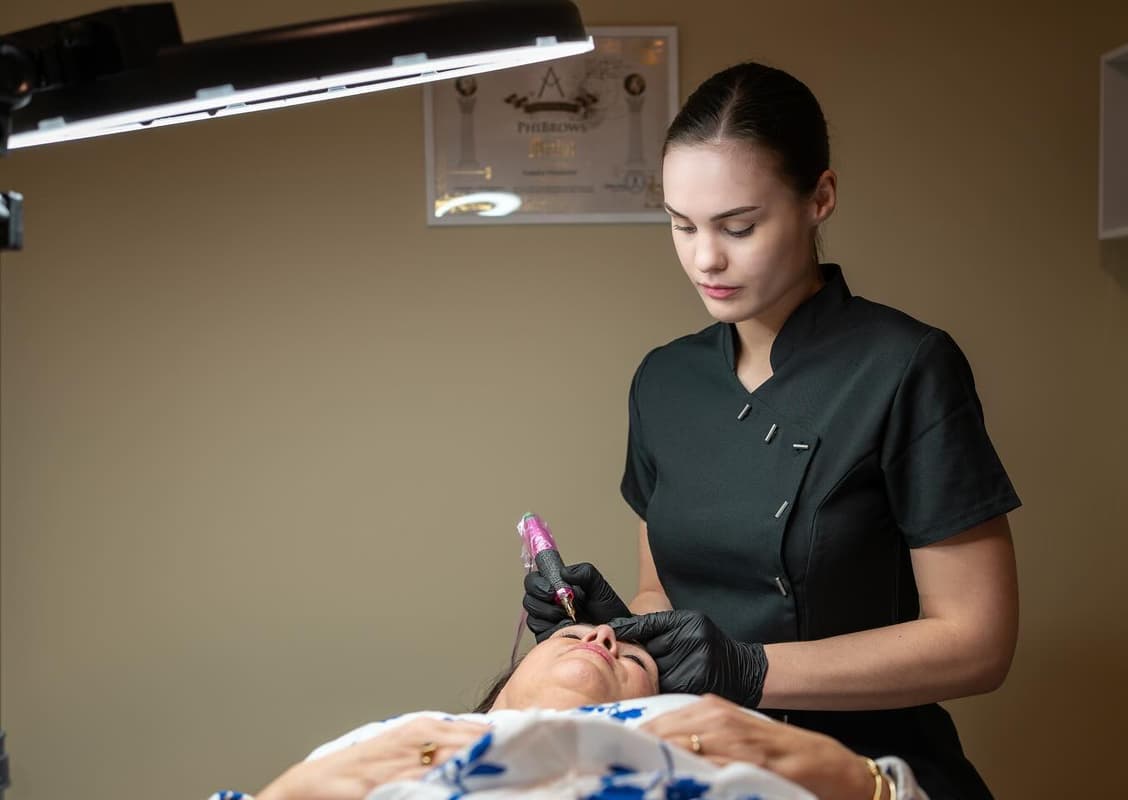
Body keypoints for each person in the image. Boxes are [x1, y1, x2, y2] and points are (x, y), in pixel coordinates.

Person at [522, 61, 1020, 799]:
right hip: (700, 767)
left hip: (866, 771)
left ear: (820, 198)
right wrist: (614, 633)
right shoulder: (665, 381)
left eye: (739, 226)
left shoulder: (906, 367)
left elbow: (978, 643)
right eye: (681, 225)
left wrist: (752, 669)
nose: (704, 258)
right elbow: (666, 599)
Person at [210, 624, 927, 799]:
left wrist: (862, 782)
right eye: (568, 636)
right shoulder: (395, 741)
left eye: (634, 660)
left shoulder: (725, 732)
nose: (602, 636)